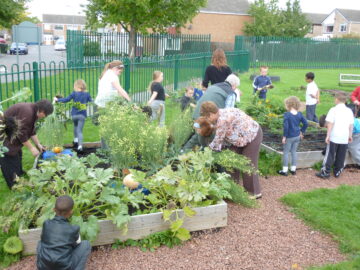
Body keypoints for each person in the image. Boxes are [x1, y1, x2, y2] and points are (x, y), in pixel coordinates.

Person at [200, 101, 263, 198]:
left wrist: (203, 153)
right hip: (239, 138)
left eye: (207, 117)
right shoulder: (220, 113)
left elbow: (217, 143)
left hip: (252, 135)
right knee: (231, 161)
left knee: (247, 163)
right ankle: (233, 190)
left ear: (211, 114)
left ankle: (254, 192)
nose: (207, 120)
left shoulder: (223, 120)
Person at [0, 100, 53, 189]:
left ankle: (19, 173)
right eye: (46, 115)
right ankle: (14, 183)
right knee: (9, 153)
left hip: (12, 132)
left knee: (17, 152)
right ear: (43, 111)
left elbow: (32, 131)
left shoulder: (34, 111)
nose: (45, 117)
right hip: (4, 133)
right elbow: (21, 133)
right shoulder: (28, 112)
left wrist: (38, 145)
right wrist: (32, 148)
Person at [183, 74, 240, 151]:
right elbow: (228, 113)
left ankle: (183, 151)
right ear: (234, 85)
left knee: (198, 133)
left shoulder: (214, 86)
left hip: (197, 112)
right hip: (209, 117)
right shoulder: (231, 93)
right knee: (207, 135)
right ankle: (204, 152)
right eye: (236, 87)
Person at [37, 195, 91, 270]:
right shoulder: (73, 229)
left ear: (54, 209)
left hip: (44, 266)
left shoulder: (46, 223)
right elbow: (77, 244)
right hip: (64, 267)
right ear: (71, 212)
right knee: (86, 244)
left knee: (40, 243)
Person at [316, 92, 354, 179]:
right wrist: (350, 135)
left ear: (336, 99)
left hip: (334, 136)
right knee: (341, 155)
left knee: (330, 154)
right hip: (344, 137)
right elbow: (351, 125)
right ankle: (337, 171)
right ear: (345, 101)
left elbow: (330, 124)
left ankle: (325, 172)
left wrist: (328, 135)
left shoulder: (333, 110)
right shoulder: (349, 111)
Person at [55, 80, 92, 152]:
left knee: (75, 126)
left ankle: (75, 140)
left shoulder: (74, 94)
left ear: (76, 86)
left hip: (74, 115)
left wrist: (57, 100)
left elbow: (66, 100)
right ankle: (80, 146)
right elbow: (91, 101)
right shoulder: (87, 94)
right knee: (80, 131)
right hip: (82, 115)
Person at [278, 96, 308, 176]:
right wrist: (302, 132)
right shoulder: (299, 114)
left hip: (289, 137)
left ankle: (284, 171)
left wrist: (284, 137)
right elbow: (306, 123)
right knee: (294, 152)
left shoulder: (287, 115)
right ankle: (293, 170)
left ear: (289, 105)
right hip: (297, 136)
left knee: (286, 153)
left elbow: (286, 127)